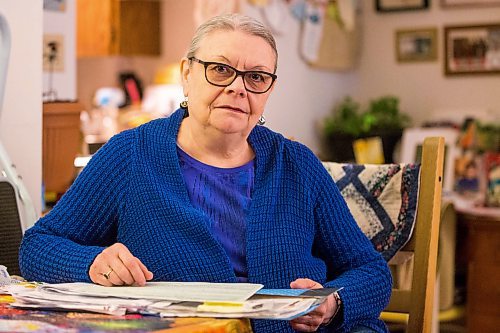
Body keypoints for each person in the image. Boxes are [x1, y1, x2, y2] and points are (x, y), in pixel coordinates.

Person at [19, 14, 391, 332]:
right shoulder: (129, 154)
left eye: (256, 77)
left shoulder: (297, 164)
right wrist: (92, 263)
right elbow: (37, 246)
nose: (237, 87)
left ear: (268, 89)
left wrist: (333, 304)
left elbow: (370, 269)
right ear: (187, 73)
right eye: (220, 70)